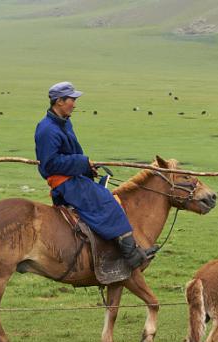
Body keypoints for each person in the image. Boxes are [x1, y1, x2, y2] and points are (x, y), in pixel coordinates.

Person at [34, 81, 154, 269]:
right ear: (59, 101)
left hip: (73, 177)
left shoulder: (64, 123)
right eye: (71, 100)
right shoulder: (47, 129)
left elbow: (71, 154)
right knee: (107, 200)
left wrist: (87, 168)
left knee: (103, 192)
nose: (74, 104)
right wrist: (82, 163)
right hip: (64, 184)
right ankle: (131, 255)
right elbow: (50, 164)